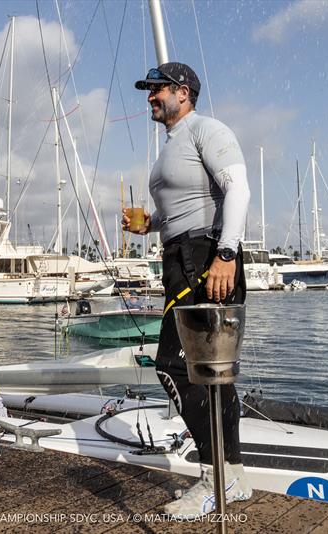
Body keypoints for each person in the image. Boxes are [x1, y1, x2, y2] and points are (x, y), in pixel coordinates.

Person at [124, 63, 252, 517]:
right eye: (148, 90)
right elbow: (182, 205)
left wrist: (226, 254)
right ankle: (231, 475)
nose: (150, 97)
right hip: (181, 255)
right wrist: (149, 223)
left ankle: (213, 478)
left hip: (205, 255)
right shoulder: (171, 147)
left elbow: (238, 189)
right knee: (213, 373)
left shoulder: (207, 129)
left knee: (174, 367)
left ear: (184, 92)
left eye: (156, 89)